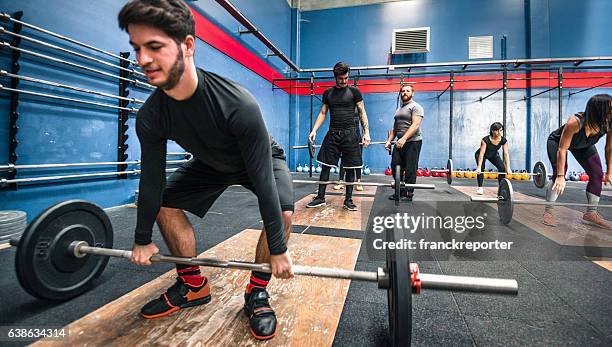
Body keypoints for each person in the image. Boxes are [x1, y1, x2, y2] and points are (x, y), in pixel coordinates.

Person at [118, 0, 293, 340]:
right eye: (137, 48)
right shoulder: (151, 116)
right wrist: (141, 239)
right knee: (164, 203)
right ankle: (193, 284)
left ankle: (256, 292)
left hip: (258, 159)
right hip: (211, 163)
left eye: (154, 47)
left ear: (188, 45)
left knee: (283, 215)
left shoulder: (238, 105)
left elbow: (262, 180)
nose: (142, 60)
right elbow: (151, 178)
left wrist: (278, 247)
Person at [306, 62, 371, 211]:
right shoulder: (328, 93)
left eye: (346, 78)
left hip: (351, 134)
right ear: (335, 77)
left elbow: (362, 111)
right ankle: (320, 197)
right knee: (325, 166)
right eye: (341, 78)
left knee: (350, 168)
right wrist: (314, 130)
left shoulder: (355, 92)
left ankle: (348, 200)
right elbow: (323, 113)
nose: (344, 81)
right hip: (333, 133)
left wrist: (366, 132)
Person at [543, 94, 612, 228]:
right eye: (610, 109)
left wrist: (610, 171)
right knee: (559, 172)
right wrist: (561, 176)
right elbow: (562, 149)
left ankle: (591, 214)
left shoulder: (609, 123)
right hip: (558, 143)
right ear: (599, 110)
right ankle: (548, 211)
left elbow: (609, 148)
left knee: (597, 174)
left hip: (583, 145)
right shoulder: (575, 122)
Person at [385, 84, 423, 201]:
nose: (405, 92)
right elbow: (395, 128)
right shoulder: (399, 109)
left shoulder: (416, 107)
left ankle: (408, 194)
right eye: (403, 91)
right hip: (399, 142)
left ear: (413, 93)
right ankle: (400, 191)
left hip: (413, 142)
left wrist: (404, 138)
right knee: (395, 166)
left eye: (407, 91)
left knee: (410, 168)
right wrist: (389, 141)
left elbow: (415, 125)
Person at [474, 122, 512, 195]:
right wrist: (478, 167)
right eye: (497, 130)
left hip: (493, 154)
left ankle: (501, 188)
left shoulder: (504, 140)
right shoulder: (485, 140)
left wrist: (508, 167)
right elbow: (481, 154)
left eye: (501, 130)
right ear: (492, 131)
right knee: (481, 169)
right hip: (481, 155)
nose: (499, 132)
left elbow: (506, 154)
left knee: (502, 168)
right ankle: (480, 187)